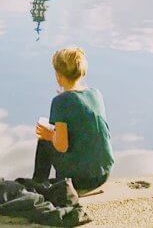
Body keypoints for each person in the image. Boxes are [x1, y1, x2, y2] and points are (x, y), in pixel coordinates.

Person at [33, 47, 114, 194]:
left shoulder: (61, 101)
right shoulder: (95, 94)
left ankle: (37, 187)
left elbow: (62, 146)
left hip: (82, 179)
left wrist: (49, 135)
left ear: (58, 75)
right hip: (104, 172)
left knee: (44, 143)